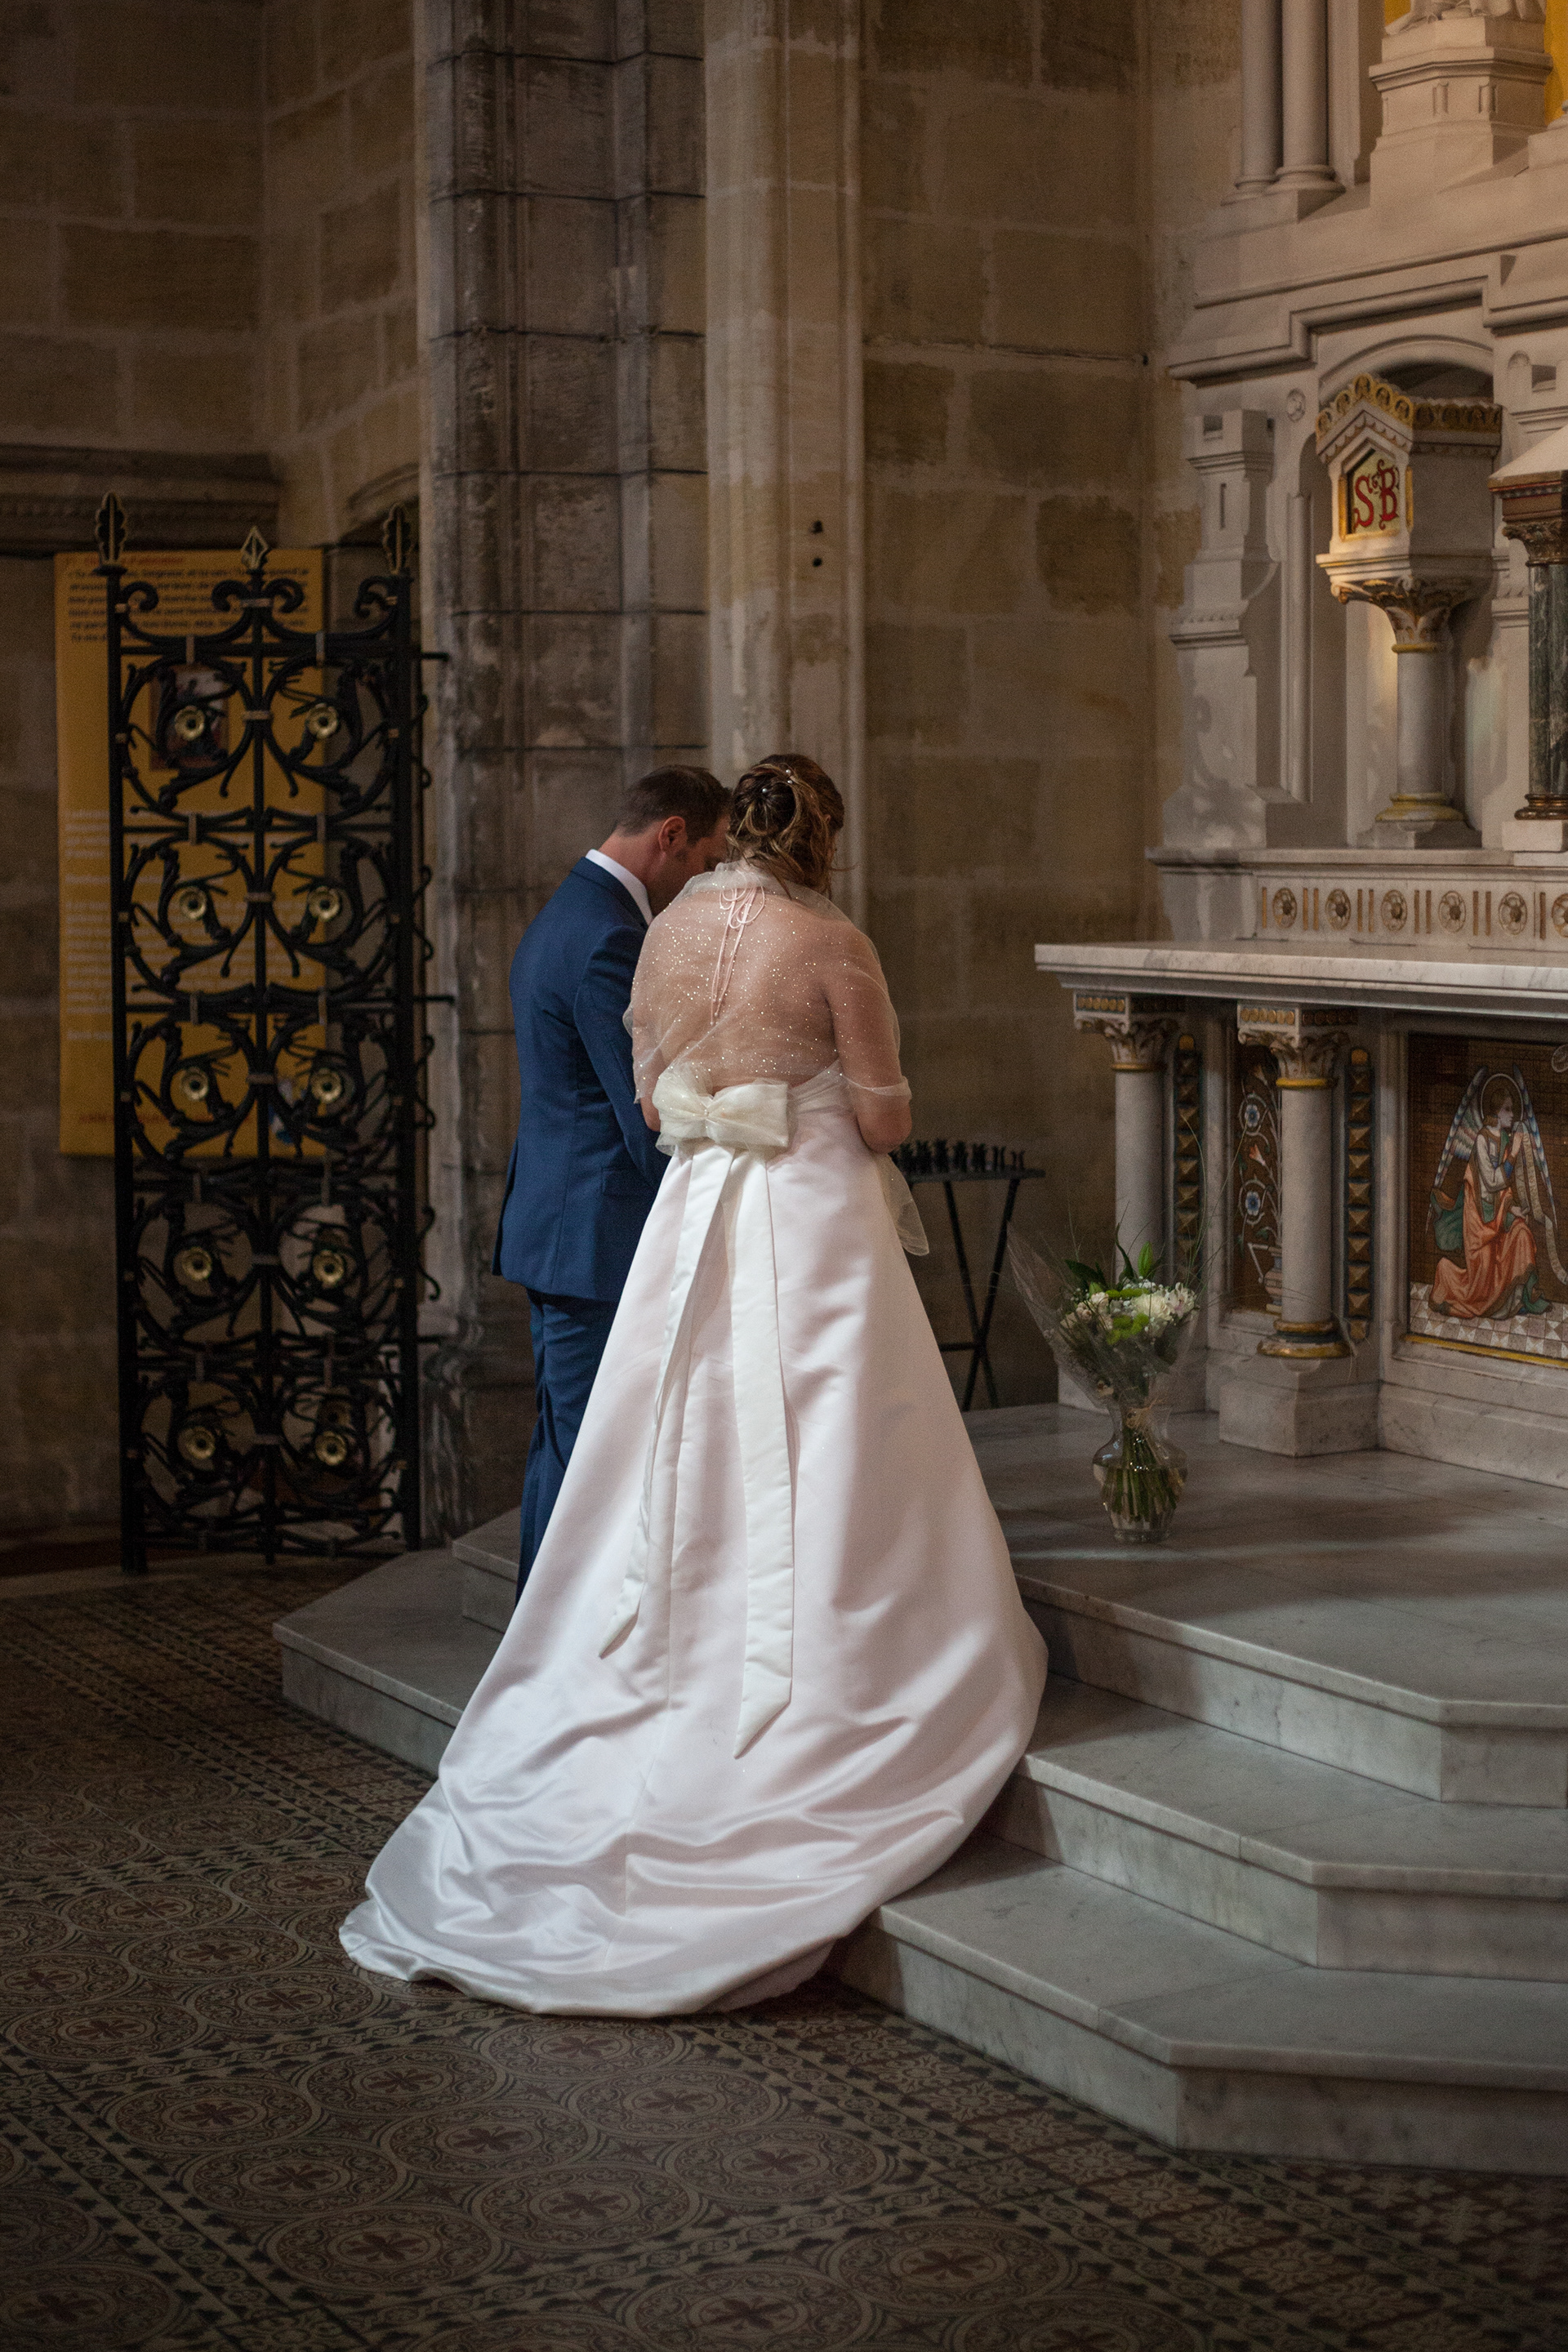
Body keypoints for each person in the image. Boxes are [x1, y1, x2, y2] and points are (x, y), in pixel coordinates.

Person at [342, 753, 1047, 2015]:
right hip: (810, 1214)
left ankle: (649, 1664)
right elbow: (884, 1120)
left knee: (672, 1438)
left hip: (697, 1209)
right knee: (827, 1431)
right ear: (824, 838)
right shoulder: (834, 942)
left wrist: (725, 1098)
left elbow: (655, 1095)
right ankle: (849, 1675)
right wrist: (843, 1092)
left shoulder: (665, 931)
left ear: (730, 832)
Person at [492, 766, 732, 1596]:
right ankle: (551, 1646)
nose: (700, 880)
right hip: (591, 1235)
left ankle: (541, 1638)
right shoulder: (607, 935)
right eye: (705, 858)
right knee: (588, 1450)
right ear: (670, 835)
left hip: (565, 1228)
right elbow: (642, 1116)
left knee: (568, 1441)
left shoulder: (570, 911)